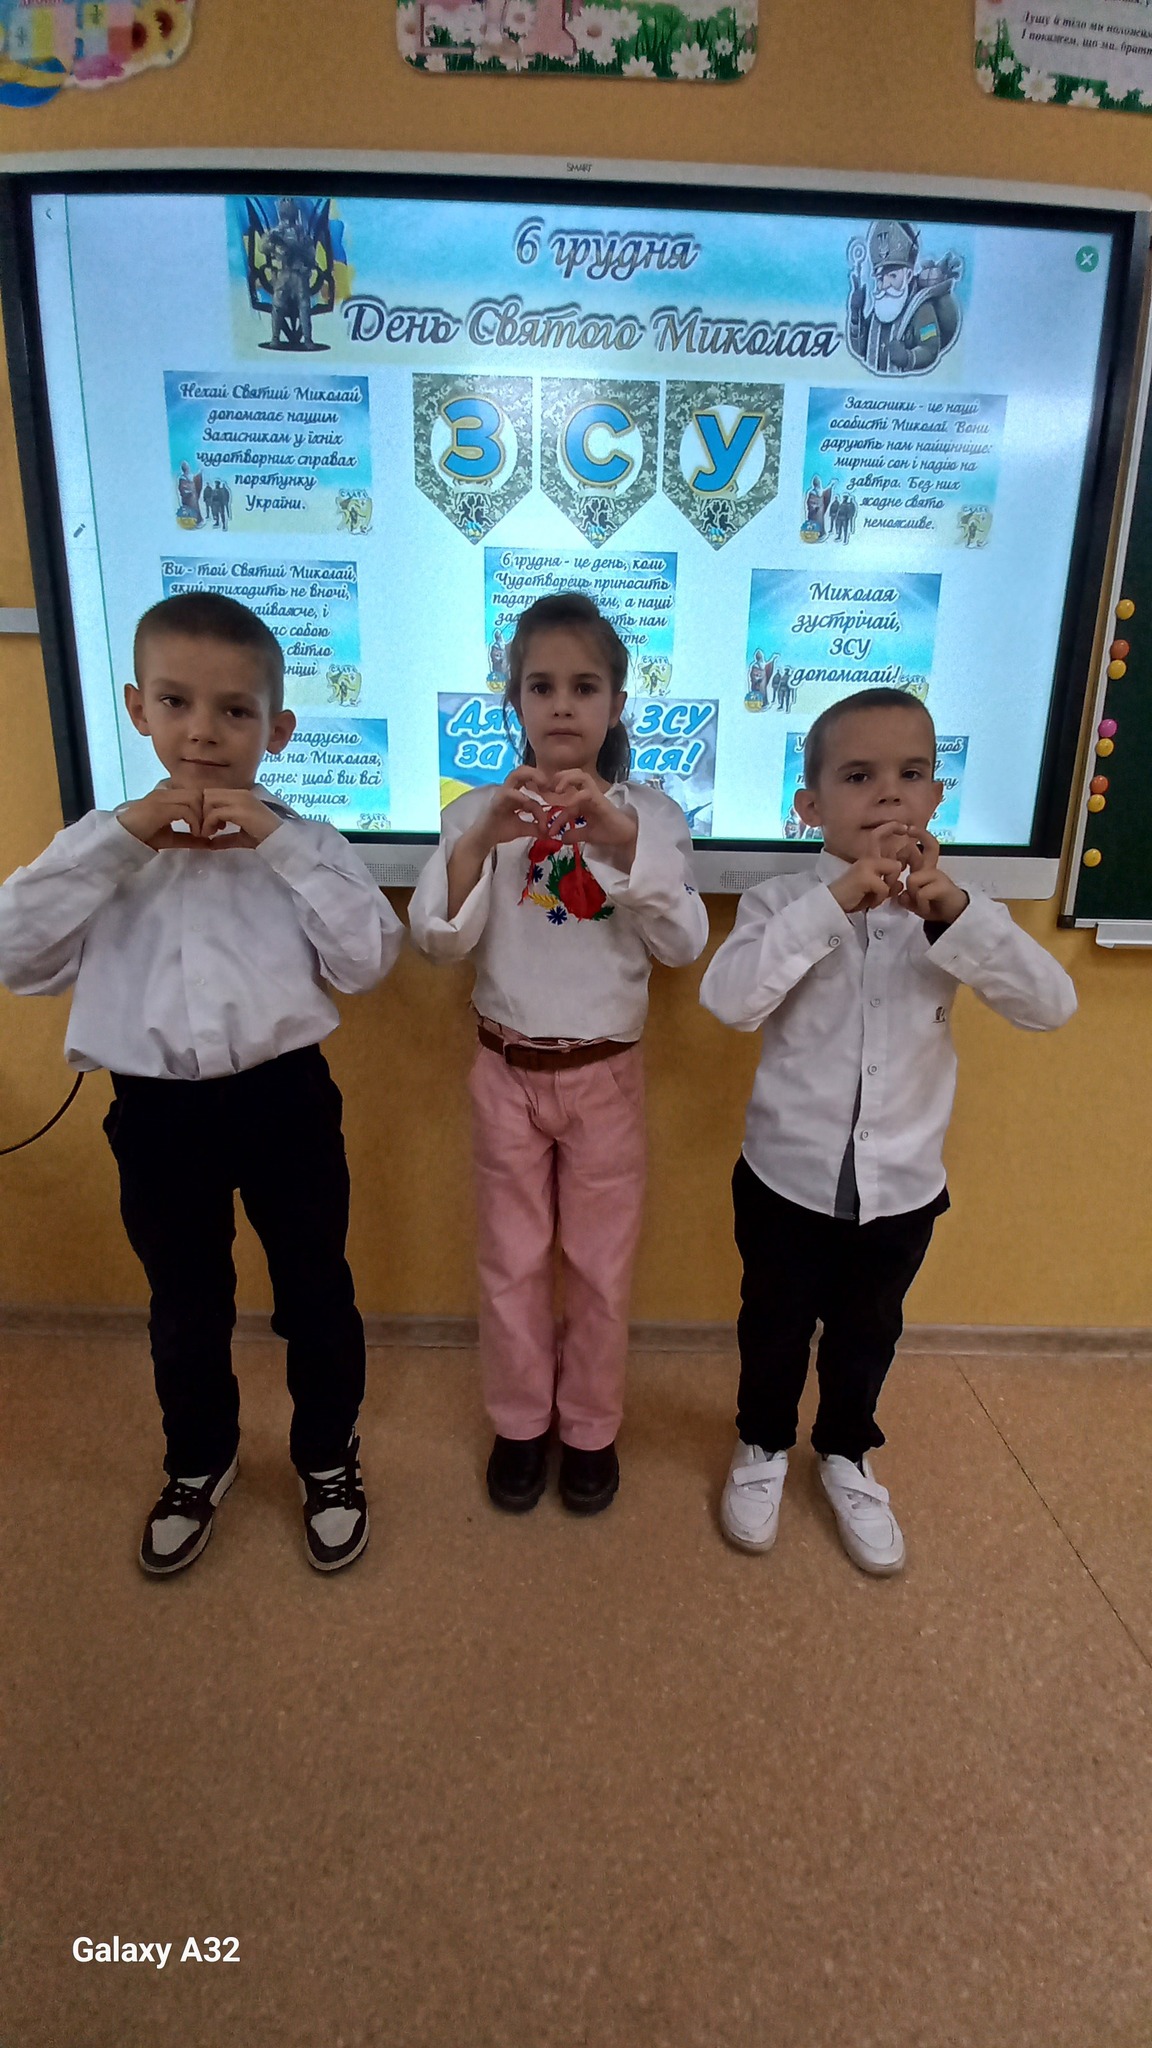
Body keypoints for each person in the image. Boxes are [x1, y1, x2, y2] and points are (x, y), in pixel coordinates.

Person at [0, 593, 404, 1576]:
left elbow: (367, 962)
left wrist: (282, 843)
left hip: (285, 1103)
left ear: (277, 729)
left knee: (317, 1291)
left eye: (234, 711)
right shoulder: (101, 846)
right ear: (138, 708)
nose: (204, 732)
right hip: (157, 1114)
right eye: (177, 702)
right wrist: (120, 840)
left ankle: (327, 1454)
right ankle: (200, 1458)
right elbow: (17, 956)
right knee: (185, 1303)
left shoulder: (305, 843)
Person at [699, 687, 1076, 1576]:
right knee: (774, 1325)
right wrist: (833, 905)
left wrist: (960, 917)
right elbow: (729, 1001)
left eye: (911, 774)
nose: (888, 794)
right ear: (810, 805)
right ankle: (762, 1442)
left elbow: (1051, 1006)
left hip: (902, 1188)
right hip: (784, 1179)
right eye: (859, 776)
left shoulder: (957, 907)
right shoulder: (781, 901)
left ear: (937, 796)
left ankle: (845, 1453)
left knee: (868, 1334)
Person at [409, 592, 708, 1516]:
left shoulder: (652, 817)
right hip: (505, 1070)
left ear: (617, 703)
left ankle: (589, 1428)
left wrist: (623, 843)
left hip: (605, 1074)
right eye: (541, 686)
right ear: (516, 702)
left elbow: (683, 944)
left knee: (599, 1267)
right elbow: (438, 940)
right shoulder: (477, 813)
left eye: (585, 686)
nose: (563, 705)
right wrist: (479, 843)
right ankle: (518, 1423)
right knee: (510, 1261)